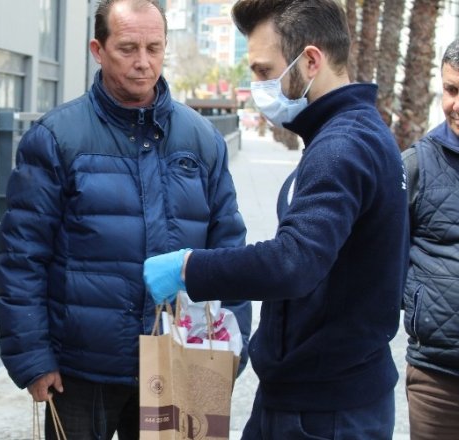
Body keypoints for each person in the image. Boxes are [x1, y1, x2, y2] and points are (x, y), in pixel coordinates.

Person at [143, 0, 408, 438]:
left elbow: (293, 261)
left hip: (323, 410)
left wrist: (189, 267)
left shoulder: (342, 146)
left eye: (265, 72)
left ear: (310, 59)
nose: (256, 86)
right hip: (321, 393)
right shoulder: (355, 133)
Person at [0, 1, 251, 438]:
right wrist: (32, 358)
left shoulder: (202, 140)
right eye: (128, 48)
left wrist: (230, 351)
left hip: (178, 361)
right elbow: (22, 258)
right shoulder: (55, 138)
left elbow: (230, 253)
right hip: (78, 371)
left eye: (154, 47)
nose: (143, 62)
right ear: (98, 48)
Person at [401, 37, 459, 440]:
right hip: (437, 380)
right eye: (452, 89)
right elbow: (381, 257)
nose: (456, 104)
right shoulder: (416, 163)